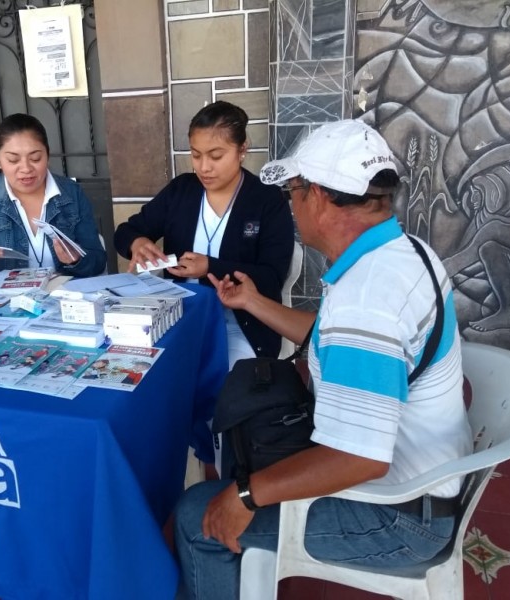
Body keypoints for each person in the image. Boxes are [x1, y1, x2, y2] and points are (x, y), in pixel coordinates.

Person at [173, 119, 473, 599]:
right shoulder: (400, 251)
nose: (290, 204)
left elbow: (360, 458)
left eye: (293, 190)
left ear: (316, 196)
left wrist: (248, 495)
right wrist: (252, 302)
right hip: (425, 482)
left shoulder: (368, 300)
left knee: (197, 516)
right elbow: (329, 337)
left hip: (398, 515)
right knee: (247, 447)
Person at [113, 100, 295, 365]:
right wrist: (137, 242)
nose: (204, 167)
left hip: (240, 323)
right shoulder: (182, 191)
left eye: (216, 156)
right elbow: (125, 232)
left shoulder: (266, 200)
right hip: (178, 317)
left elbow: (271, 277)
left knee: (221, 387)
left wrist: (211, 267)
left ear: (242, 150)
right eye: (196, 155)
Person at [0, 113, 106, 284]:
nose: (26, 168)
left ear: (48, 155)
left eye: (35, 158)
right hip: (7, 305)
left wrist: (76, 260)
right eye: (13, 160)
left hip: (64, 301)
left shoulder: (71, 193)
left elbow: (97, 262)